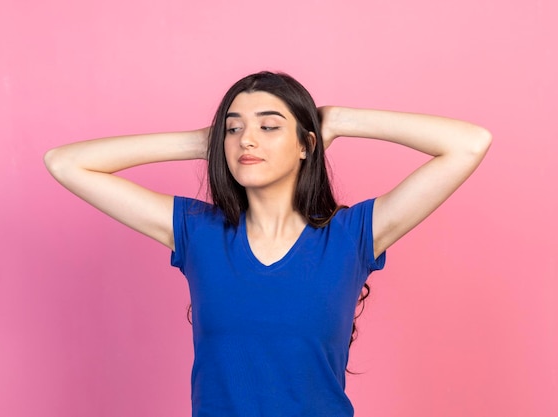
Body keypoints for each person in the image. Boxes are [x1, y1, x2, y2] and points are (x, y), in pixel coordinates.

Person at [44, 71, 491, 417]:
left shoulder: (352, 235)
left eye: (270, 126)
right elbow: (65, 163)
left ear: (306, 145)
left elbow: (469, 144)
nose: (247, 140)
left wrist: (341, 119)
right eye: (234, 129)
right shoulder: (197, 230)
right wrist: (201, 142)